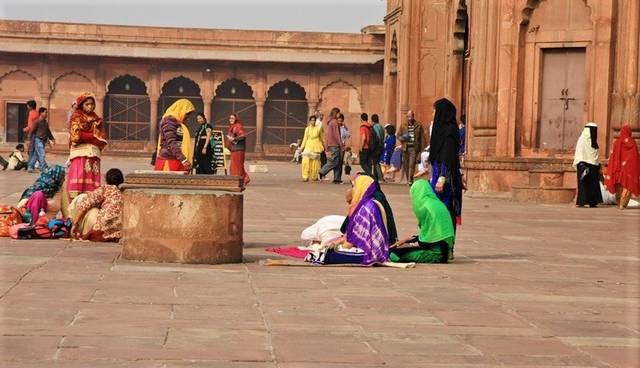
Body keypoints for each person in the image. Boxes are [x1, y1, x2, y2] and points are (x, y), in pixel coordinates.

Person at [306, 174, 393, 265]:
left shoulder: (366, 207)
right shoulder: (368, 203)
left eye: (355, 186)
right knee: (326, 250)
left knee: (325, 255)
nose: (354, 189)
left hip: (371, 252)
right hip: (375, 249)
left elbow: (353, 240)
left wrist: (339, 246)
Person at [390, 173, 455, 263]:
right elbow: (432, 232)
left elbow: (427, 241)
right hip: (443, 248)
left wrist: (409, 243)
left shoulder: (426, 207)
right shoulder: (436, 203)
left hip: (437, 253)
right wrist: (409, 240)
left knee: (393, 254)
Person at [429, 98, 463, 244]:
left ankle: (447, 244)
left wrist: (442, 177)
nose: (433, 113)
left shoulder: (449, 131)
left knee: (446, 209)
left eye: (435, 110)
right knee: (438, 208)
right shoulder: (443, 131)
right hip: (440, 173)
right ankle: (439, 242)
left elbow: (448, 156)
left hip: (445, 177)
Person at [68, 93, 108, 199]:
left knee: (92, 186)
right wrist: (94, 136)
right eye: (87, 104)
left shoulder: (97, 119)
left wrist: (88, 136)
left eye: (92, 104)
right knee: (78, 181)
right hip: (79, 155)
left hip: (94, 155)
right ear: (82, 105)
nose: (90, 106)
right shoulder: (76, 117)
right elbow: (76, 136)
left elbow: (103, 139)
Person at [69, 168, 124, 242]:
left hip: (102, 229)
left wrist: (75, 224)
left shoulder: (105, 189)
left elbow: (85, 204)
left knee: (89, 207)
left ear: (106, 180)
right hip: (119, 231)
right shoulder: (123, 192)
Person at [605, 125, 639, 209]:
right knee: (628, 186)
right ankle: (623, 204)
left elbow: (613, 156)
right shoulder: (632, 142)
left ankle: (619, 202)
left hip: (618, 169)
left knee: (619, 186)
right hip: (629, 169)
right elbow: (635, 157)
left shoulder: (617, 142)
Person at [155, 99, 194, 172]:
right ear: (181, 110)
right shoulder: (169, 121)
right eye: (187, 114)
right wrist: (184, 159)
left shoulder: (177, 122)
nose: (187, 117)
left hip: (177, 159)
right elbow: (171, 142)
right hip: (169, 160)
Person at [573, 122, 603, 208]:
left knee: (594, 184)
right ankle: (582, 201)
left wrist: (598, 164)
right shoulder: (582, 140)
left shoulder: (593, 142)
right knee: (584, 184)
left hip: (593, 165)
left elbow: (595, 154)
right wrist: (582, 163)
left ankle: (593, 202)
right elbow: (580, 153)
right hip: (584, 164)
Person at [397, 110, 427, 184]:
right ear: (407, 117)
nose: (410, 118)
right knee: (406, 165)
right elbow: (398, 135)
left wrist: (423, 149)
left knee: (411, 164)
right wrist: (403, 138)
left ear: (413, 116)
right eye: (409, 116)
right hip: (405, 147)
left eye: (411, 116)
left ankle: (410, 180)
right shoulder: (403, 125)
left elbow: (422, 138)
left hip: (413, 148)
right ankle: (408, 178)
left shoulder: (418, 125)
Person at [319, 107, 344, 184]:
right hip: (335, 145)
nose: (339, 114)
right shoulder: (334, 122)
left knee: (337, 162)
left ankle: (337, 179)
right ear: (335, 113)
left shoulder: (331, 122)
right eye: (338, 113)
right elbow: (337, 135)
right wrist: (341, 144)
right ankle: (322, 172)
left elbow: (328, 135)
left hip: (331, 144)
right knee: (334, 162)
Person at [27, 107, 55, 173]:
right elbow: (32, 131)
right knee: (42, 154)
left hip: (43, 141)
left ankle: (30, 166)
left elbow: (48, 131)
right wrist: (29, 139)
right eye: (45, 112)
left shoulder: (45, 122)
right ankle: (44, 167)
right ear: (41, 113)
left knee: (36, 155)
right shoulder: (37, 121)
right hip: (38, 140)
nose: (46, 114)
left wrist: (52, 139)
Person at [226, 113, 251, 185]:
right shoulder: (232, 127)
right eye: (230, 118)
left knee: (237, 166)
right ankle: (245, 178)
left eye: (232, 118)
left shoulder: (238, 126)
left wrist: (234, 139)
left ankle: (239, 180)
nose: (230, 120)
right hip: (235, 149)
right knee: (236, 165)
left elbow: (243, 136)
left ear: (236, 119)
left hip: (238, 149)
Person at [300, 115, 325, 182]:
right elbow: (305, 139)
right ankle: (305, 176)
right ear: (309, 121)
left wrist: (325, 145)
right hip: (308, 145)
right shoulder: (307, 129)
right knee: (305, 161)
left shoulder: (318, 128)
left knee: (315, 163)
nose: (312, 121)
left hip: (316, 145)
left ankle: (314, 176)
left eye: (314, 120)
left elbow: (322, 138)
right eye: (311, 120)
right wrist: (301, 147)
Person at [370, 114, 385, 181]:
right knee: (376, 162)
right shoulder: (381, 127)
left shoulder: (375, 127)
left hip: (377, 147)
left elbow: (377, 137)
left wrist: (374, 146)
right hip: (381, 146)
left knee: (376, 163)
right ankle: (376, 177)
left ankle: (380, 177)